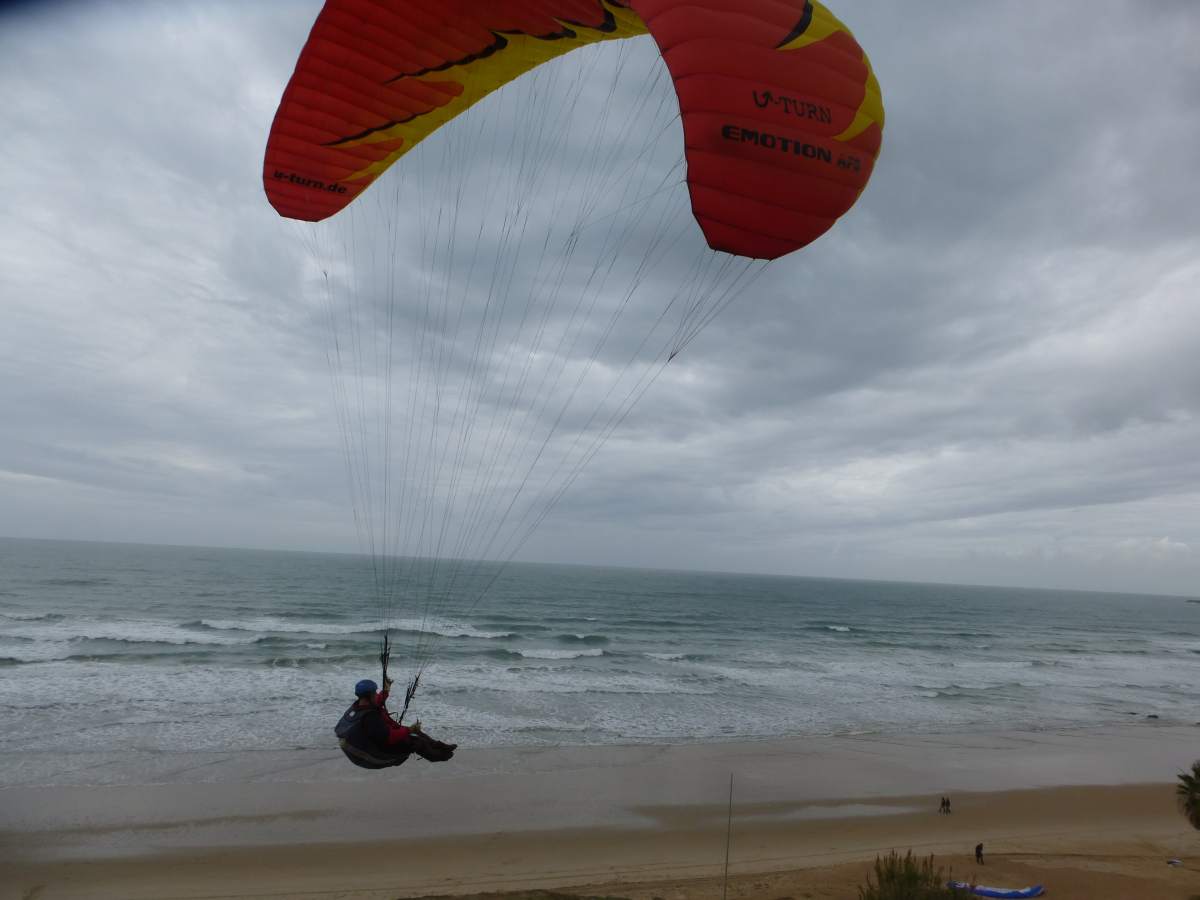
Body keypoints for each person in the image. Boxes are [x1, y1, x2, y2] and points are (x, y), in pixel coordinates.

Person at [335, 677, 456, 770]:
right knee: (414, 741)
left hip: (375, 740)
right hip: (379, 752)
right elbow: (390, 737)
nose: (377, 694)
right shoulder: (370, 718)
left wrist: (386, 690)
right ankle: (438, 756)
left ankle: (440, 746)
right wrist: (409, 730)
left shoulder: (359, 705)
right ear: (369, 696)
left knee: (417, 732)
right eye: (375, 693)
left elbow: (378, 702)